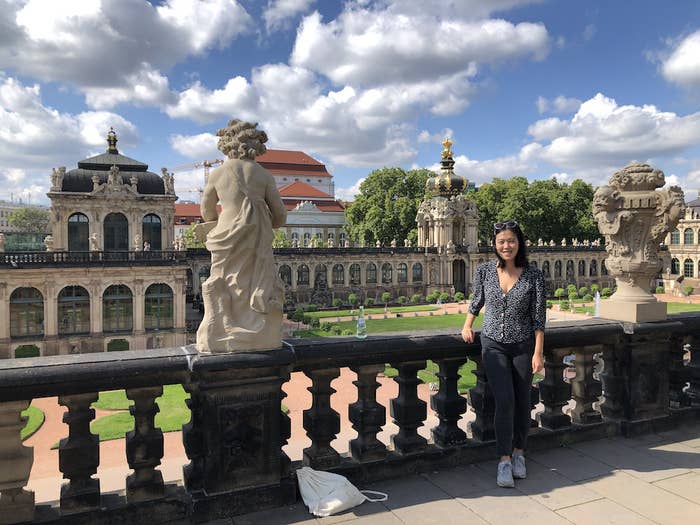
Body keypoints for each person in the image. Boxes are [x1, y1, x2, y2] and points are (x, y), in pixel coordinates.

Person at [461, 220, 545, 488]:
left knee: (523, 402)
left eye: (510, 240)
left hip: (523, 346)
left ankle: (520, 453)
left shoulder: (533, 275)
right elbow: (477, 301)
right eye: (501, 242)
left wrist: (538, 353)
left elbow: (538, 318)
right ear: (495, 245)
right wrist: (467, 325)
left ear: (519, 243)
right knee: (505, 401)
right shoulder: (485, 271)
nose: (506, 246)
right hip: (493, 344)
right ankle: (504, 460)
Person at [196, 119, 287, 352]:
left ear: (226, 144)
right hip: (258, 232)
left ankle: (224, 328)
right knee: (256, 279)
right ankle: (256, 328)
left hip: (226, 232)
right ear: (255, 145)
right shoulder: (264, 175)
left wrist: (218, 222)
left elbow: (206, 209)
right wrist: (260, 215)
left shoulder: (217, 174)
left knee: (226, 279)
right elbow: (280, 216)